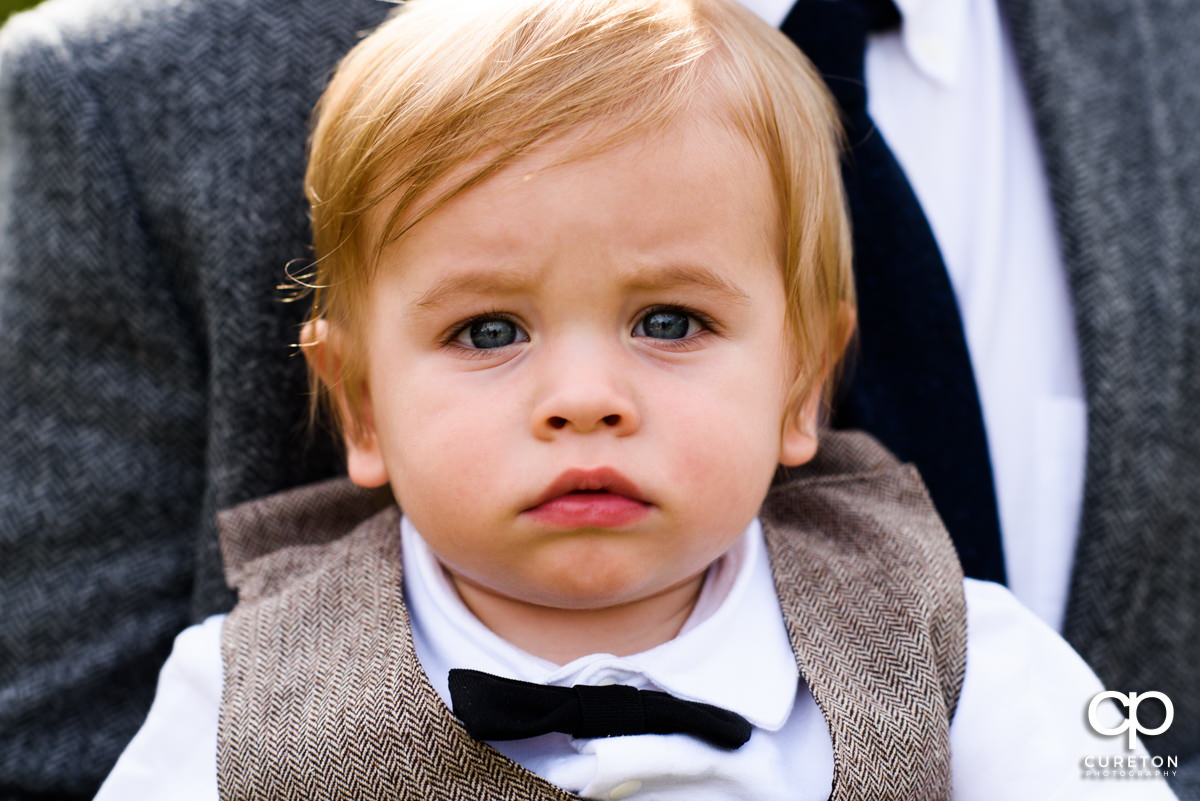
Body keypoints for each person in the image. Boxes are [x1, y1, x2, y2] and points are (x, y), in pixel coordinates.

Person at [1, 0, 1197, 797]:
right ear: (358, 406)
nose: (584, 399)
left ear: (804, 387)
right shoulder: (240, 694)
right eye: (488, 331)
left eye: (669, 323)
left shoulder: (973, 653)